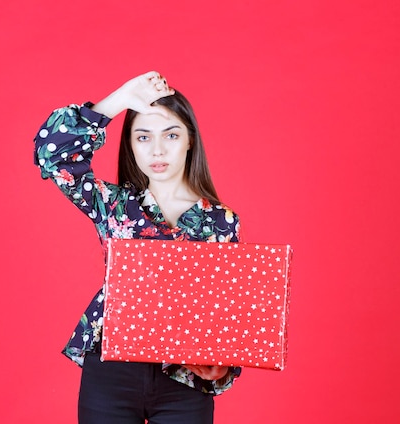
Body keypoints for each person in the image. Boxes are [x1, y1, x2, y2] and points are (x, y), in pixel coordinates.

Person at [33, 71, 242, 424]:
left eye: (171, 135)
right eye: (143, 136)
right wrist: (120, 99)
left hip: (184, 382)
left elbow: (225, 311)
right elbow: (52, 154)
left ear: (190, 140)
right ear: (130, 143)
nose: (157, 150)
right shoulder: (113, 205)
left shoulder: (222, 222)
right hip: (111, 372)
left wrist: (220, 364)